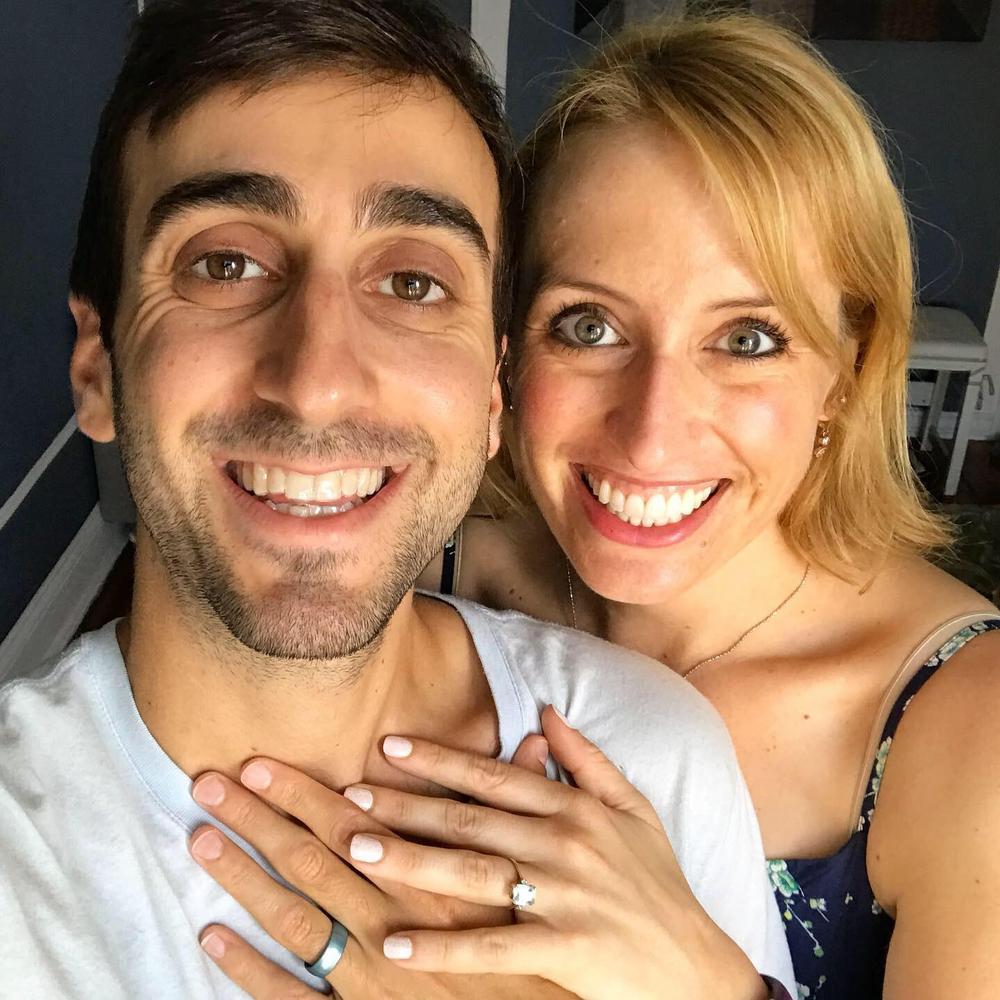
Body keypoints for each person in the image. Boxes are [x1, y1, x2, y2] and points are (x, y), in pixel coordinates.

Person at [197, 12, 1000, 1000]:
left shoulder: (967, 727)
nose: (651, 434)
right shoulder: (421, 578)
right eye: (586, 326)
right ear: (506, 350)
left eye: (747, 339)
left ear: (848, 367)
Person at [0, 2, 796, 998]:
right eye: (225, 264)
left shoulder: (651, 758)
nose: (318, 382)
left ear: (494, 395)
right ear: (96, 365)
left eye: (414, 283)